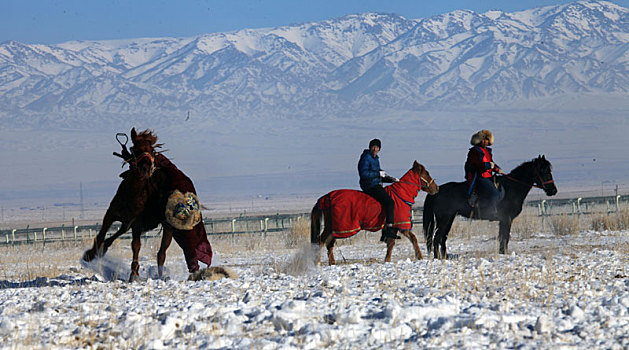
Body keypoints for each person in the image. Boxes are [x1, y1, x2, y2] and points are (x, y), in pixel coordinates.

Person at [358, 138, 400, 240]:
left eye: (377, 147)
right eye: (374, 147)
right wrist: (378, 173)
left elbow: (377, 175)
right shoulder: (366, 157)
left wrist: (390, 179)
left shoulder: (375, 158)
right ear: (370, 147)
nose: (375, 149)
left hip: (375, 184)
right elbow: (363, 173)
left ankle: (384, 232)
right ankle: (389, 230)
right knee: (390, 202)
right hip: (370, 186)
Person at [464, 129, 506, 217]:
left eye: (486, 139)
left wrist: (498, 169)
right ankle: (490, 212)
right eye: (483, 139)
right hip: (480, 177)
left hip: (489, 176)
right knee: (494, 193)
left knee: (501, 191)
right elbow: (474, 164)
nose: (485, 141)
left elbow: (492, 163)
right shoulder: (474, 151)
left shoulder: (488, 151)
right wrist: (487, 165)